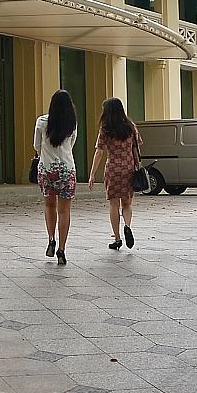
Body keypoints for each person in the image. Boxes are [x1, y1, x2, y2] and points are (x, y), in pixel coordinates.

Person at [88, 97, 141, 251]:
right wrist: (137, 166)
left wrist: (92, 174)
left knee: (113, 204)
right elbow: (136, 149)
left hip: (112, 169)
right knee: (127, 203)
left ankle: (117, 238)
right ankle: (127, 226)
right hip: (128, 168)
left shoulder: (106, 129)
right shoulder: (131, 127)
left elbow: (99, 151)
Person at [34, 89, 79, 265]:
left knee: (49, 205)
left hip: (46, 169)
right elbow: (72, 144)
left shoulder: (42, 121)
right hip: (67, 170)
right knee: (64, 210)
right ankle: (62, 249)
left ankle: (51, 239)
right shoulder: (72, 123)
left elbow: (36, 146)